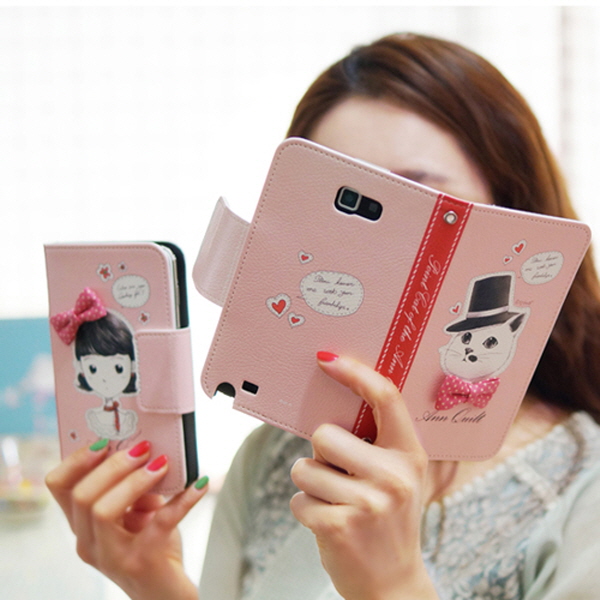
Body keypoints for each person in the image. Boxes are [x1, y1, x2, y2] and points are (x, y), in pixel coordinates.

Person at [45, 33, 600, 600]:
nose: (369, 252)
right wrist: (151, 576)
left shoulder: (583, 487)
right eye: (345, 202)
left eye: (416, 196)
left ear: (515, 211)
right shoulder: (272, 458)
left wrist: (393, 585)